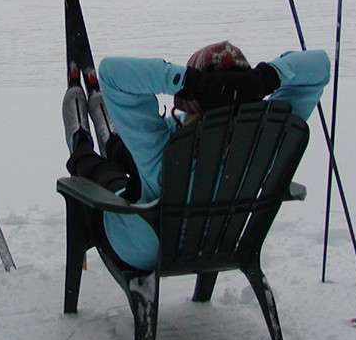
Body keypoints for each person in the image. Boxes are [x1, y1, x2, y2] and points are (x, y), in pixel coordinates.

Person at [61, 41, 330, 273]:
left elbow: (111, 73)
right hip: (221, 242)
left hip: (146, 249)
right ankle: (113, 143)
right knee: (133, 158)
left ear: (192, 97)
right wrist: (266, 78)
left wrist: (191, 81)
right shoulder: (268, 138)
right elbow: (320, 65)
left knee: (104, 176)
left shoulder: (163, 145)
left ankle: (82, 145)